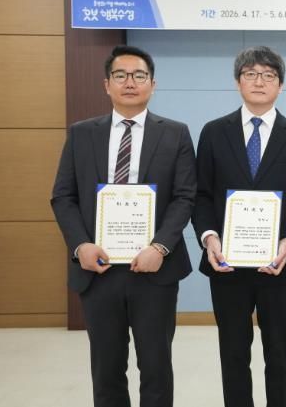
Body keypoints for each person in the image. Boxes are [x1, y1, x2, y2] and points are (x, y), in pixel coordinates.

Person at [51, 45, 196, 407]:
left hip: (155, 270)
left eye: (139, 75)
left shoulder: (176, 134)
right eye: (121, 75)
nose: (130, 82)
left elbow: (184, 197)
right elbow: (63, 196)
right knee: (106, 369)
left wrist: (160, 247)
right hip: (98, 270)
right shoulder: (81, 134)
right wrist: (80, 245)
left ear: (152, 84)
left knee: (156, 367)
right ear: (107, 84)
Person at [192, 46, 286, 407]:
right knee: (233, 352)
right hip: (226, 264)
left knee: (279, 352)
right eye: (251, 74)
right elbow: (201, 195)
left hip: (277, 263)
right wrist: (209, 238)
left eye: (269, 75)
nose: (259, 81)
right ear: (237, 82)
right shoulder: (214, 132)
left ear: (280, 85)